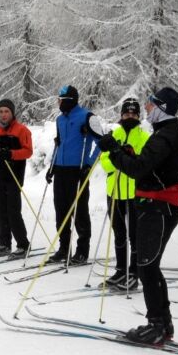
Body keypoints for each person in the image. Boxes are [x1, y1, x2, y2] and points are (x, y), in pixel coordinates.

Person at [98, 87, 178, 344]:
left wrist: (115, 153)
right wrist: (124, 152)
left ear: (162, 108)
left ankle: (156, 325)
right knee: (151, 265)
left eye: (151, 104)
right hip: (159, 205)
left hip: (157, 207)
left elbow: (139, 169)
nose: (146, 108)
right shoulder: (169, 132)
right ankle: (164, 321)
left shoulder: (166, 135)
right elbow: (150, 164)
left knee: (146, 267)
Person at [98, 98, 150, 289]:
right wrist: (118, 156)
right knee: (119, 233)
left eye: (133, 114)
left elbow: (145, 164)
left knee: (135, 234)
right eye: (126, 114)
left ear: (138, 116)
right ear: (121, 115)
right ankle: (121, 270)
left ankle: (134, 272)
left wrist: (130, 158)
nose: (130, 116)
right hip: (115, 191)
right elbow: (104, 163)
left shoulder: (144, 137)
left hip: (134, 192)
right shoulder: (115, 134)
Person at [49, 85, 100, 263]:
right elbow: (59, 143)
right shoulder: (59, 120)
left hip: (77, 171)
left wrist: (89, 164)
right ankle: (64, 249)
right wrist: (51, 167)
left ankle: (82, 251)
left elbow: (101, 142)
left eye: (61, 100)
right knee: (61, 211)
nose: (59, 103)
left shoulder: (87, 117)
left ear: (69, 100)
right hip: (61, 171)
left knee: (79, 212)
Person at [0, 98, 33, 256]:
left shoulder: (22, 130)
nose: (3, 115)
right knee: (0, 211)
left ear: (12, 113)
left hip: (14, 175)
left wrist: (11, 153)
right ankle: (4, 244)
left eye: (6, 111)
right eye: (1, 112)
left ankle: (23, 244)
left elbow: (28, 151)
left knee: (13, 211)